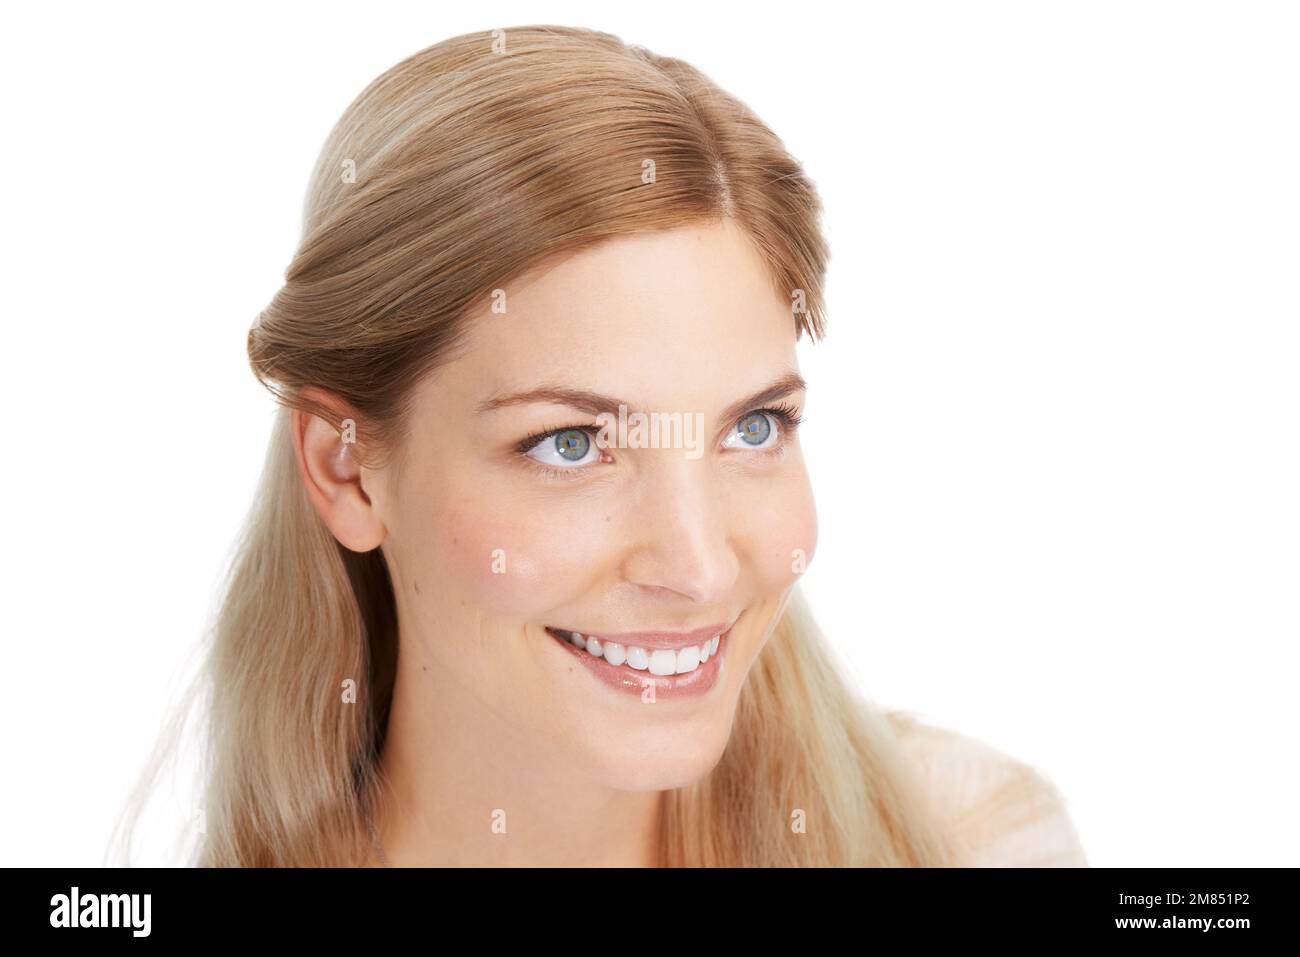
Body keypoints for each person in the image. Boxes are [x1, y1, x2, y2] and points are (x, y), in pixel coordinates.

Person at [112, 24, 1086, 867]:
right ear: (345, 466)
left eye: (754, 428)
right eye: (573, 444)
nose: (699, 569)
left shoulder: (969, 838)